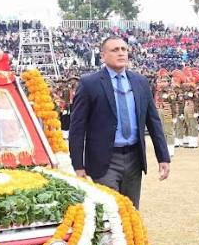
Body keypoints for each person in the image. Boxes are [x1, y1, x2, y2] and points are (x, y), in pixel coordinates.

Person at [68, 37, 171, 207]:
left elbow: (153, 122)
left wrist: (163, 157)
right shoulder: (89, 84)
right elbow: (77, 128)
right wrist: (78, 166)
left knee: (131, 211)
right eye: (115, 50)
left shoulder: (140, 82)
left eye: (124, 49)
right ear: (103, 56)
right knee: (110, 211)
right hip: (104, 161)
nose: (121, 53)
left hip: (134, 159)